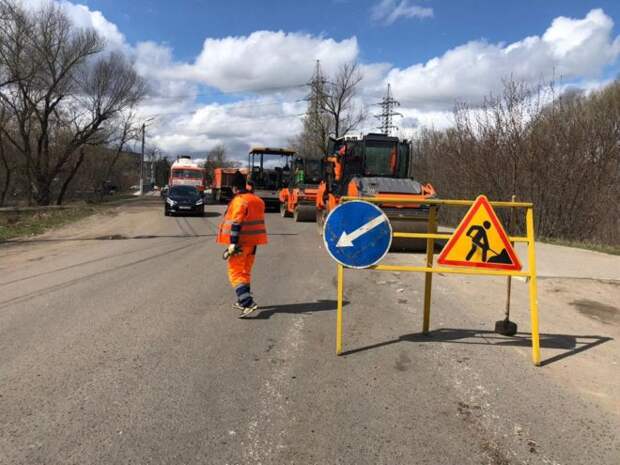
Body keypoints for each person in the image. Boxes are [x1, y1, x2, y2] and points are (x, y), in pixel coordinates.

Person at [216, 171, 267, 317]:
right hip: (253, 243)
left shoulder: (239, 201)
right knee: (245, 271)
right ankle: (241, 300)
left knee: (235, 272)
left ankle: (248, 303)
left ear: (234, 188)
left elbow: (236, 223)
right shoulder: (257, 200)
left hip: (240, 243)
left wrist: (232, 243)